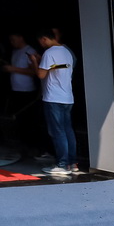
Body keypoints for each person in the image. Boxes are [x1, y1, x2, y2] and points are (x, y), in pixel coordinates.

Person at [35, 28, 78, 178]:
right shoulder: (67, 52)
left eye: (40, 41)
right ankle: (72, 163)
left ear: (44, 39)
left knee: (57, 132)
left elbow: (41, 74)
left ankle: (62, 164)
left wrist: (34, 62)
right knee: (68, 130)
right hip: (67, 97)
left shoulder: (49, 53)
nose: (41, 44)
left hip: (53, 98)